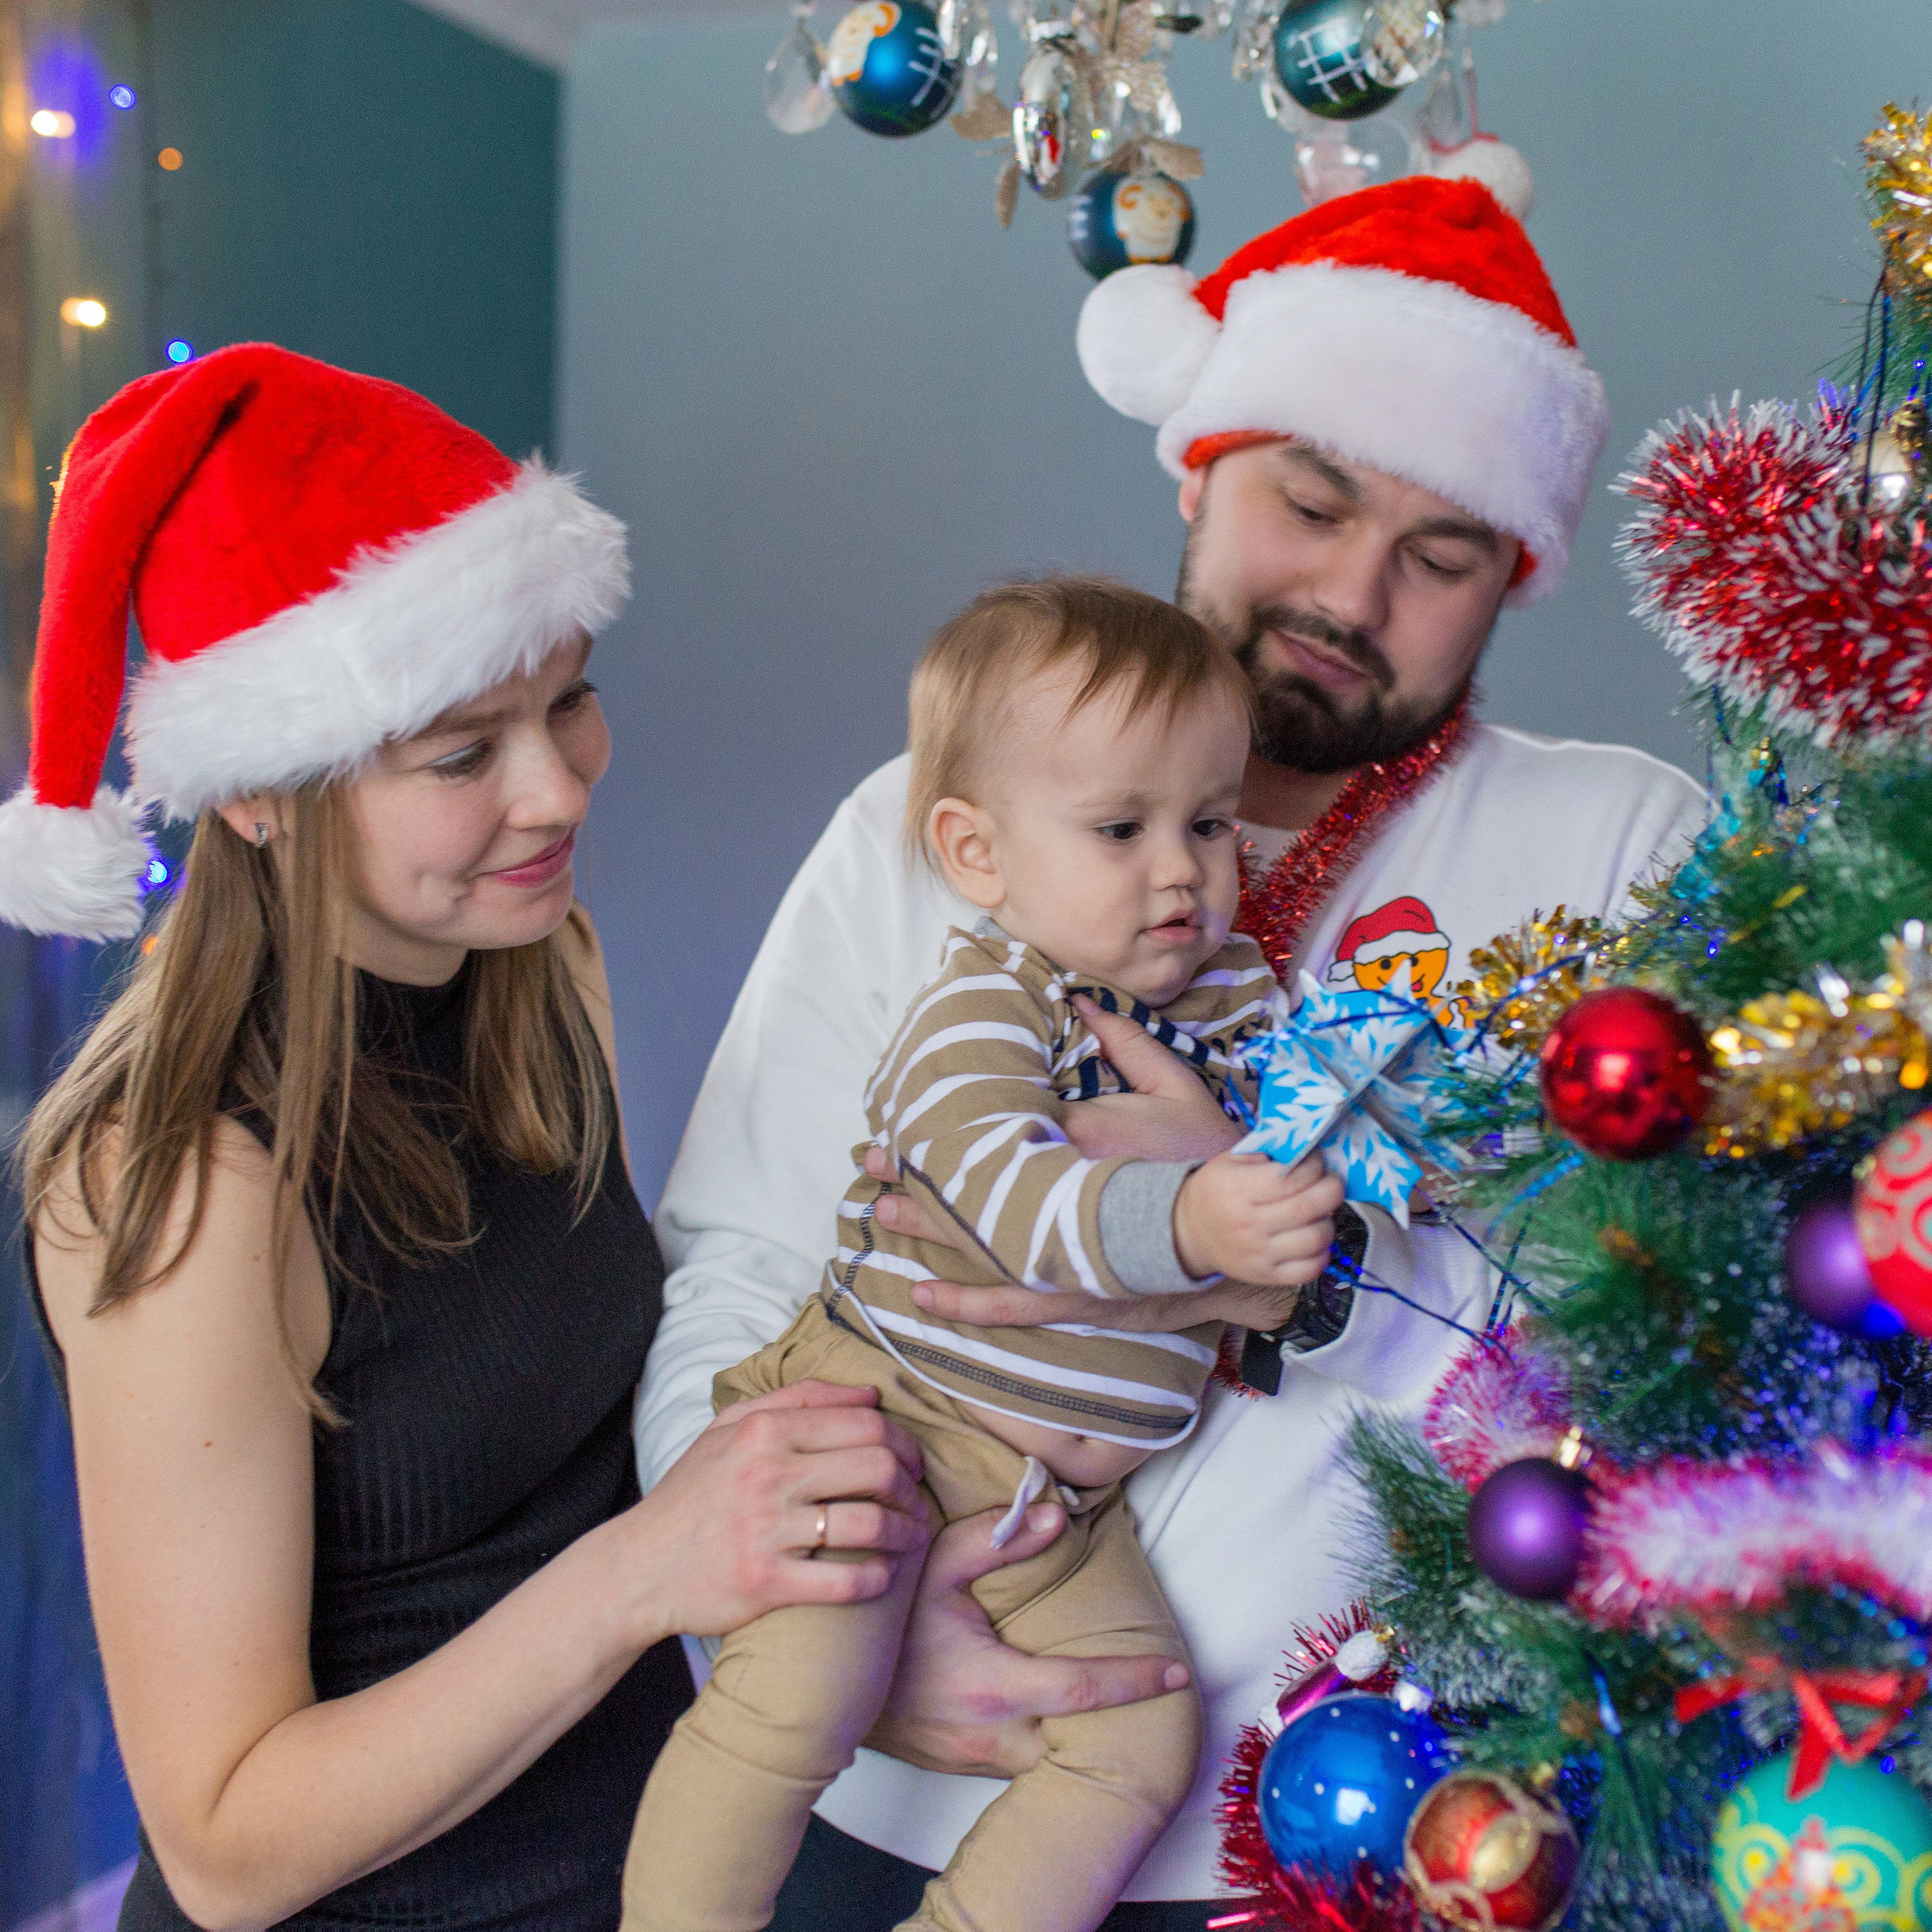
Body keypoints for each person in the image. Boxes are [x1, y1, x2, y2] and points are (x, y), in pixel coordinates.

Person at [635, 177, 1710, 1926]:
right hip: (877, 1788)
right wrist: (801, 1609)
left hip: (1370, 1841)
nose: (1351, 589)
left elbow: (1662, 1338)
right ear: (1195, 461)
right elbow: (740, 1259)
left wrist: (1256, 1223)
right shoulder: (923, 827)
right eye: (1310, 496)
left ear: (1509, 577)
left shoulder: (1613, 848)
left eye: (1440, 556)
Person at [2, 344, 929, 1932]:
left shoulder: (532, 976)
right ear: (260, 794)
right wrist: (649, 1568)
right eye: (458, 753)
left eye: (569, 699)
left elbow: (568, 1425)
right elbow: (225, 1842)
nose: (555, 787)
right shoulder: (179, 1183)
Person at [621, 578, 1344, 1932]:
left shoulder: (1243, 992)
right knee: (793, 1698)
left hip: (1055, 1514)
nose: (1181, 869)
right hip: (888, 1423)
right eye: (1121, 829)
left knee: (1139, 1742)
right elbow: (1005, 1194)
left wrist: (1289, 1208)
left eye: (1208, 822)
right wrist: (1195, 1219)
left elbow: (1322, 1185)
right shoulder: (987, 1000)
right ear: (977, 852)